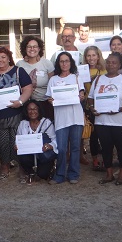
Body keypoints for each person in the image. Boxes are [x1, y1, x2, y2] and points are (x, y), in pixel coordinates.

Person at [0, 47, 33, 180]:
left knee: (17, 141)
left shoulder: (18, 71)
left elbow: (28, 89)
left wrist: (20, 102)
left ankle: (22, 166)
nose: (0, 60)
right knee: (2, 143)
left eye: (3, 57)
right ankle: (4, 165)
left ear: (9, 58)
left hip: (16, 114)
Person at [89, 52, 122, 185]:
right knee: (106, 148)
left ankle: (121, 173)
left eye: (114, 62)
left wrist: (121, 109)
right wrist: (91, 108)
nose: (110, 65)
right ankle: (109, 174)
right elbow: (91, 96)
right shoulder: (98, 79)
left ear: (120, 65)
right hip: (102, 121)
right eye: (108, 62)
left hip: (120, 121)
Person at [46, 52, 85, 184]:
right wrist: (52, 101)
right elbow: (49, 98)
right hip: (61, 118)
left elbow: (81, 93)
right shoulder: (53, 80)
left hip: (76, 117)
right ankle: (60, 174)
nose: (64, 63)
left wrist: (81, 96)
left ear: (71, 62)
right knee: (61, 148)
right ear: (58, 63)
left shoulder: (76, 78)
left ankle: (73, 174)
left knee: (75, 147)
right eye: (61, 61)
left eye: (67, 61)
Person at [16, 100, 57, 184]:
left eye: (35, 109)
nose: (32, 112)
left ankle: (51, 166)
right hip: (29, 155)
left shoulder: (46, 123)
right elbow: (18, 140)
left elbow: (55, 139)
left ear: (39, 110)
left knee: (42, 175)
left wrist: (50, 145)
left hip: (44, 155)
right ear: (26, 111)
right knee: (23, 158)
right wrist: (16, 145)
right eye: (29, 109)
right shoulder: (23, 124)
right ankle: (30, 171)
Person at [16, 36, 55, 121]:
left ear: (39, 48)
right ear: (25, 49)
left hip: (44, 104)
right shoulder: (19, 64)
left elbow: (53, 84)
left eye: (35, 46)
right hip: (26, 104)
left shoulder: (47, 63)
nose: (32, 49)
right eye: (29, 47)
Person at [82, 46, 106, 170]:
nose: (91, 58)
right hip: (89, 106)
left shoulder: (104, 70)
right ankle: (95, 159)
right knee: (94, 135)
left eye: (94, 55)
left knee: (105, 134)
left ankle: (106, 159)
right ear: (85, 57)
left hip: (104, 106)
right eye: (89, 55)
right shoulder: (82, 71)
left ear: (98, 56)